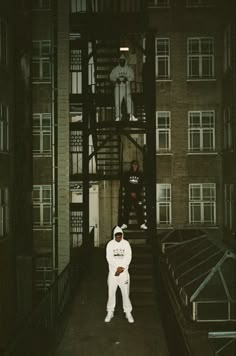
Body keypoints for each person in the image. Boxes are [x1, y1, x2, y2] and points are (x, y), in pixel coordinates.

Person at [104, 226, 134, 323]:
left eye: (120, 236)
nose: (118, 238)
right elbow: (109, 258)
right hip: (113, 273)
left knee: (125, 293)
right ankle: (110, 311)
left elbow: (128, 257)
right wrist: (116, 269)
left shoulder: (126, 244)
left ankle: (128, 312)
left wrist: (122, 268)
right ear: (114, 236)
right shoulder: (110, 244)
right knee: (111, 293)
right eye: (116, 236)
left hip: (123, 273)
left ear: (122, 235)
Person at [110, 53, 138, 122]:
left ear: (125, 61)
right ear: (119, 61)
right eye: (121, 61)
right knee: (117, 102)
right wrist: (116, 79)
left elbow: (132, 76)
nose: (122, 62)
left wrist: (127, 78)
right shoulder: (115, 69)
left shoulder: (129, 69)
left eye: (123, 60)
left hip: (126, 87)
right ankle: (118, 116)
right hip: (118, 87)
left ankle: (131, 115)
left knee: (129, 100)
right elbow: (111, 76)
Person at [121, 160, 147, 230]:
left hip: (137, 195)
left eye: (136, 164)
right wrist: (131, 192)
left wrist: (136, 193)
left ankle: (142, 224)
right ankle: (125, 224)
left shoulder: (140, 174)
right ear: (132, 165)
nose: (135, 166)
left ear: (138, 166)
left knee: (139, 209)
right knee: (126, 209)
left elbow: (140, 185)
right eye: (134, 164)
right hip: (128, 194)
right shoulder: (127, 174)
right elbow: (125, 184)